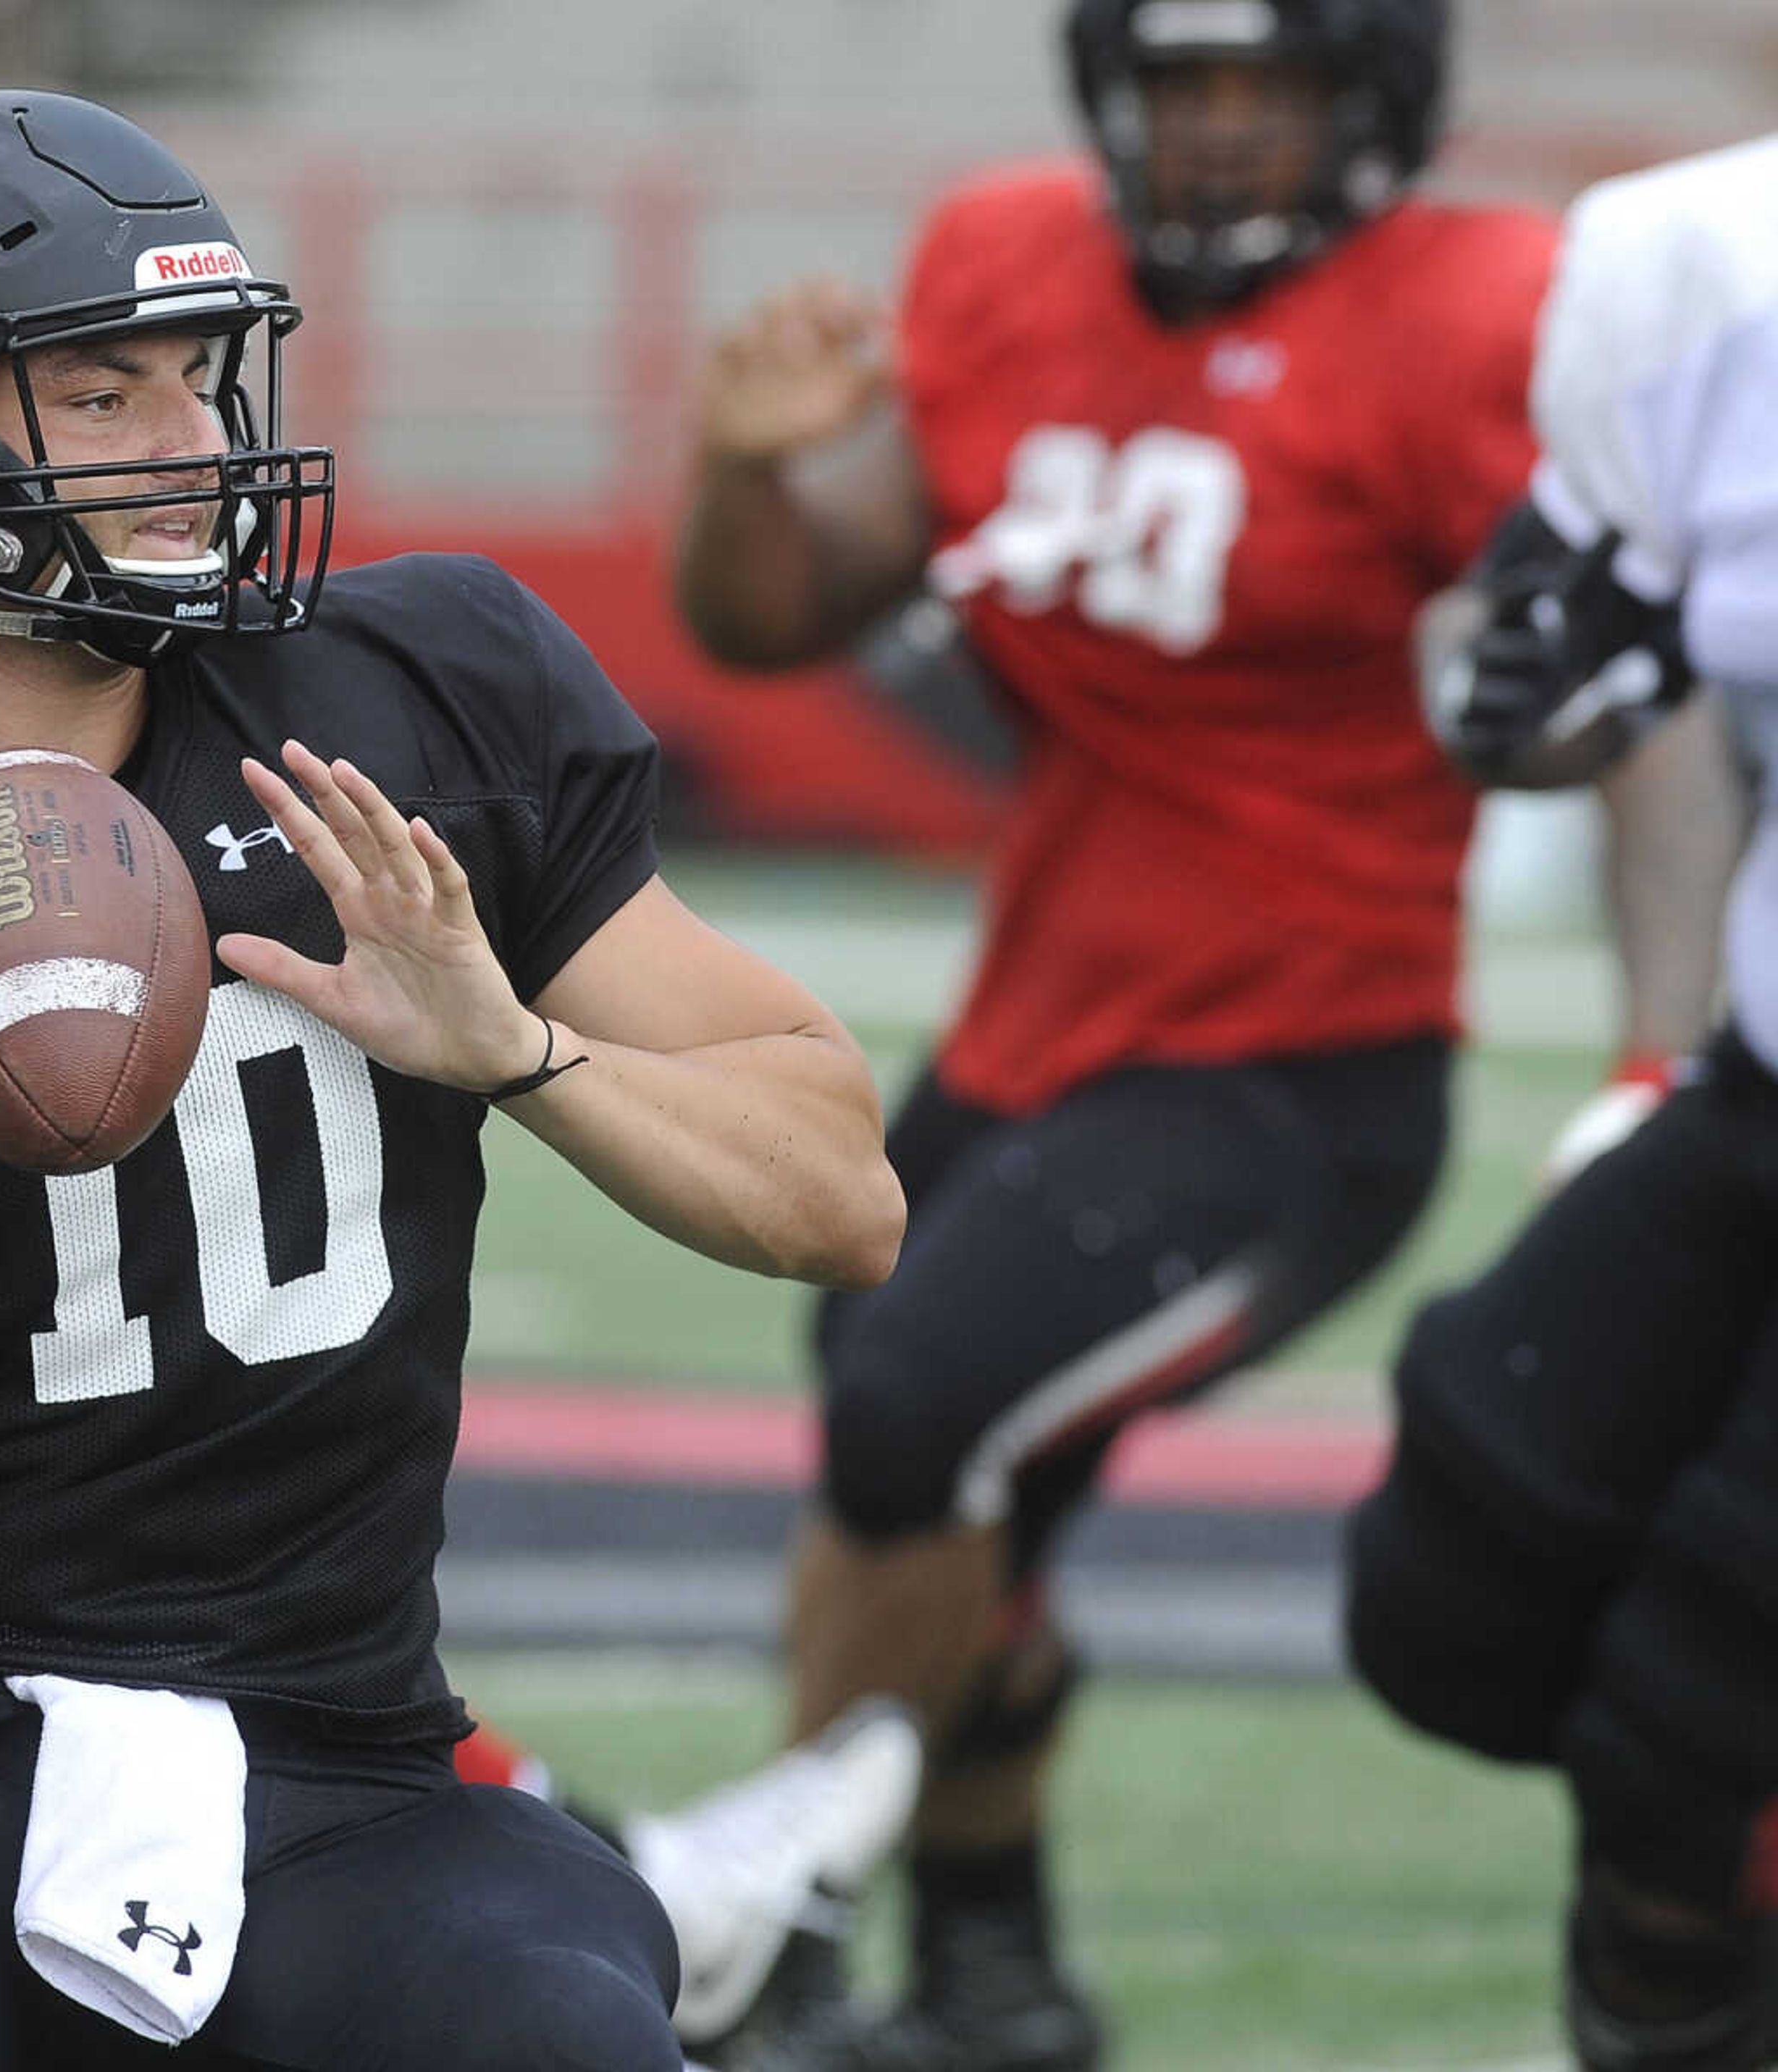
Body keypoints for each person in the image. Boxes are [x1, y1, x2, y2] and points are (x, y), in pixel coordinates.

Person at [0, 89, 906, 2072]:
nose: (194, 446)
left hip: (348, 1751)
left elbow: (843, 1192)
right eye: (98, 396)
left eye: (199, 379)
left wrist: (522, 1053)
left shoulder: (406, 716)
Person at [658, 3, 1735, 2066]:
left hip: (1300, 1067)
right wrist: (744, 456)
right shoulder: (1004, 257)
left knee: (912, 1424)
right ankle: (996, 1980)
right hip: (1043, 1024)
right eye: (1182, 88)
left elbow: (1642, 692)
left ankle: (782, 1933)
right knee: (959, 1497)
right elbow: (773, 616)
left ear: (1376, 105)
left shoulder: (1479, 310)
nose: (1220, 133)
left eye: (1271, 89)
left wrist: (1655, 1053)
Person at [1346, 133, 1778, 2072]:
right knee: (1467, 1567)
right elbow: (1559, 652)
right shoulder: (1701, 261)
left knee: (1700, 1716)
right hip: (1767, 1083)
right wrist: (1532, 685)